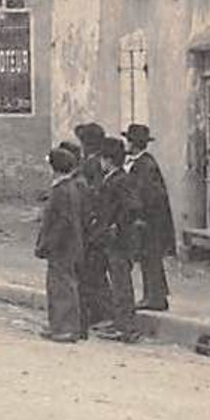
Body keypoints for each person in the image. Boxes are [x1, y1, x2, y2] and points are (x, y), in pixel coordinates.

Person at [94, 135, 144, 342]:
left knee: (121, 283)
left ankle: (126, 327)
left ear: (108, 159)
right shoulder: (116, 178)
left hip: (120, 241)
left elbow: (132, 207)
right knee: (118, 282)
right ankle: (120, 322)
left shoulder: (120, 180)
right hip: (116, 238)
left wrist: (117, 225)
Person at [35, 147, 85, 343]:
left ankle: (66, 328)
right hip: (68, 245)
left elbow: (61, 222)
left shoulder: (61, 190)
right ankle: (59, 325)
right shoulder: (69, 187)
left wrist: (47, 244)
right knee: (61, 285)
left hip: (62, 246)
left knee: (62, 286)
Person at [123, 124, 175, 311]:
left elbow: (149, 194)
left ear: (133, 143)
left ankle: (154, 297)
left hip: (150, 220)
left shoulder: (144, 165)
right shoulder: (142, 162)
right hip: (151, 219)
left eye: (128, 141)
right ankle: (154, 295)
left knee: (150, 258)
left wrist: (139, 214)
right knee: (149, 258)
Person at [72, 122, 112, 335]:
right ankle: (97, 312)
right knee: (94, 270)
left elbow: (95, 193)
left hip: (93, 225)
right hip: (93, 223)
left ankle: (101, 313)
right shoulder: (94, 162)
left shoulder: (92, 165)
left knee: (92, 271)